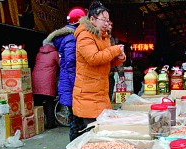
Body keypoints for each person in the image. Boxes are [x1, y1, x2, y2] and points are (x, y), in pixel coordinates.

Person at [70, 1, 126, 141]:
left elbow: (107, 59)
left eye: (108, 20)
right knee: (91, 134)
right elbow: (94, 58)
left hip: (100, 91)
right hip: (88, 93)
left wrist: (119, 57)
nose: (107, 23)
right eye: (104, 20)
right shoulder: (84, 35)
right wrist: (114, 50)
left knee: (99, 132)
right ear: (92, 20)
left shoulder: (103, 36)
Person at [44, 6, 87, 139]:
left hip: (69, 85)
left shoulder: (70, 36)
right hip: (72, 86)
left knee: (77, 120)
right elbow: (71, 64)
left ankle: (75, 148)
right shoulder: (71, 38)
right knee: (77, 122)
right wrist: (79, 86)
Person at [31, 40, 60, 129]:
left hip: (36, 78)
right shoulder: (55, 53)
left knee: (38, 102)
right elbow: (61, 64)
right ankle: (50, 124)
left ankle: (37, 124)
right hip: (48, 79)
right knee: (49, 102)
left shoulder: (39, 54)